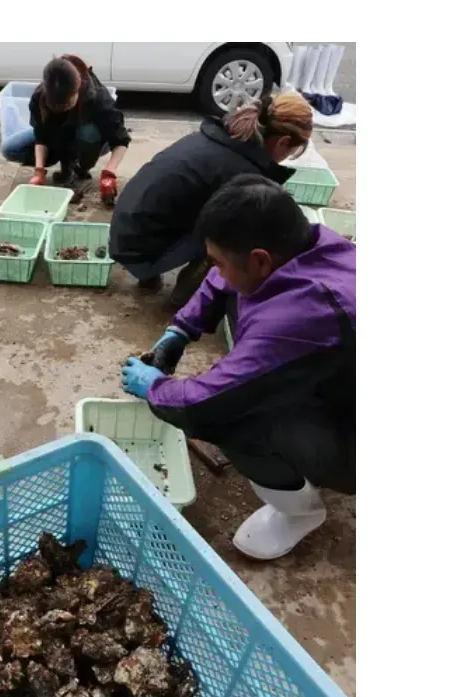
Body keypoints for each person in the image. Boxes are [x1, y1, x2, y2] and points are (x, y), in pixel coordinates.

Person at [121, 176, 355, 561]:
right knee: (238, 290)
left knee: (234, 419)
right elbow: (223, 277)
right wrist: (182, 329)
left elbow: (201, 405)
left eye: (218, 261)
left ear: (260, 259)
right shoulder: (310, 244)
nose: (216, 270)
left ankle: (300, 514)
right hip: (341, 382)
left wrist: (155, 388)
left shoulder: (301, 315)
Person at [108, 87, 314, 292]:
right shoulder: (243, 172)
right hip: (136, 246)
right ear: (283, 143)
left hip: (125, 227)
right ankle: (182, 300)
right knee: (233, 240)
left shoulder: (217, 137)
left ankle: (150, 277)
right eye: (293, 151)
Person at [2, 55, 130, 205]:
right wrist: (39, 172)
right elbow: (41, 136)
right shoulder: (39, 98)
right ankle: (67, 164)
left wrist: (109, 173)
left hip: (91, 140)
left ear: (78, 89)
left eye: (66, 105)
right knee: (10, 149)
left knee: (88, 132)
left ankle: (81, 170)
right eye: (54, 106)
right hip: (58, 137)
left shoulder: (97, 98)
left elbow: (120, 139)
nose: (61, 109)